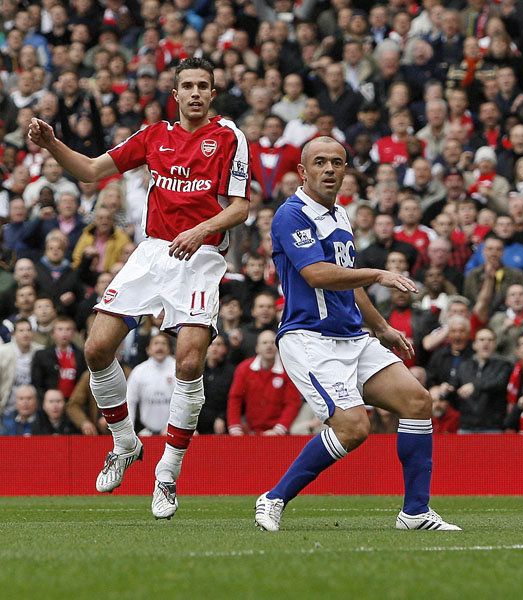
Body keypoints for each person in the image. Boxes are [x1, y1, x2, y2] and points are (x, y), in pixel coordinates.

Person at [27, 57, 250, 519]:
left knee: (189, 359)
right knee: (96, 348)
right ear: (175, 93)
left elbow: (240, 208)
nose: (194, 93)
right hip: (153, 253)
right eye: (186, 85)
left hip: (202, 258)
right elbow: (90, 171)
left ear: (212, 94)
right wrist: (52, 145)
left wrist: (198, 230)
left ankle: (166, 475)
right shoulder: (154, 136)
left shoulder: (228, 137)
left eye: (202, 86)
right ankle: (125, 443)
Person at [257, 136, 460, 532]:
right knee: (353, 427)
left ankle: (415, 513)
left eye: (337, 162)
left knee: (418, 402)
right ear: (303, 171)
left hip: (352, 337)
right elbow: (316, 274)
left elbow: (349, 284)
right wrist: (379, 272)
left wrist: (382, 328)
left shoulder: (341, 215)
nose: (330, 169)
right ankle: (274, 497)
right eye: (320, 162)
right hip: (309, 338)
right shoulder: (290, 215)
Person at [227, 330, 302, 436]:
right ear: (257, 348)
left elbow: (292, 403)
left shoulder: (288, 370)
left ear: (277, 347)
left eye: (272, 343)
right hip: (250, 431)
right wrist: (234, 427)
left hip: (279, 432)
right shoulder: (243, 369)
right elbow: (235, 398)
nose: (269, 346)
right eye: (265, 343)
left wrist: (279, 430)